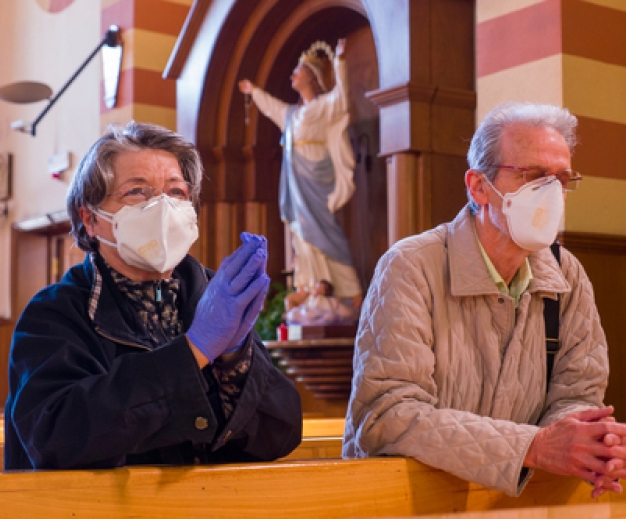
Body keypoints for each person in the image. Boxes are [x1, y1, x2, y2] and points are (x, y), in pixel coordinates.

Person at [343, 102, 626, 498]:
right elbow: (389, 415)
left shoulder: (568, 274)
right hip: (405, 500)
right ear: (479, 187)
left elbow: (577, 393)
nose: (551, 194)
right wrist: (533, 447)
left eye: (561, 180)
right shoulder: (411, 266)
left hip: (510, 504)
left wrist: (587, 444)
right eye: (533, 176)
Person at [4, 121, 302, 470]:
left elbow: (282, 432)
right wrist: (192, 353)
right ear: (91, 219)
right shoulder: (56, 312)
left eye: (176, 192)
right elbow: (54, 436)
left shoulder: (212, 296)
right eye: (137, 192)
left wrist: (235, 360)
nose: (161, 207)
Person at [238, 38, 363, 308]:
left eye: (297, 71)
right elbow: (272, 107)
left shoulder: (323, 107)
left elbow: (342, 98)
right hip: (296, 182)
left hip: (318, 178)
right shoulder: (292, 115)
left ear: (311, 76)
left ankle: (350, 288)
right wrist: (254, 91)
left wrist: (339, 62)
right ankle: (309, 284)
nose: (292, 75)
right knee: (301, 232)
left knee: (324, 228)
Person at [285, 279, 357, 326]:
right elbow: (305, 308)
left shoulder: (324, 300)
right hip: (307, 319)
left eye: (320, 288)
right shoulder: (311, 300)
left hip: (318, 317)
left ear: (325, 291)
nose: (316, 290)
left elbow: (318, 311)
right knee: (293, 313)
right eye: (316, 287)